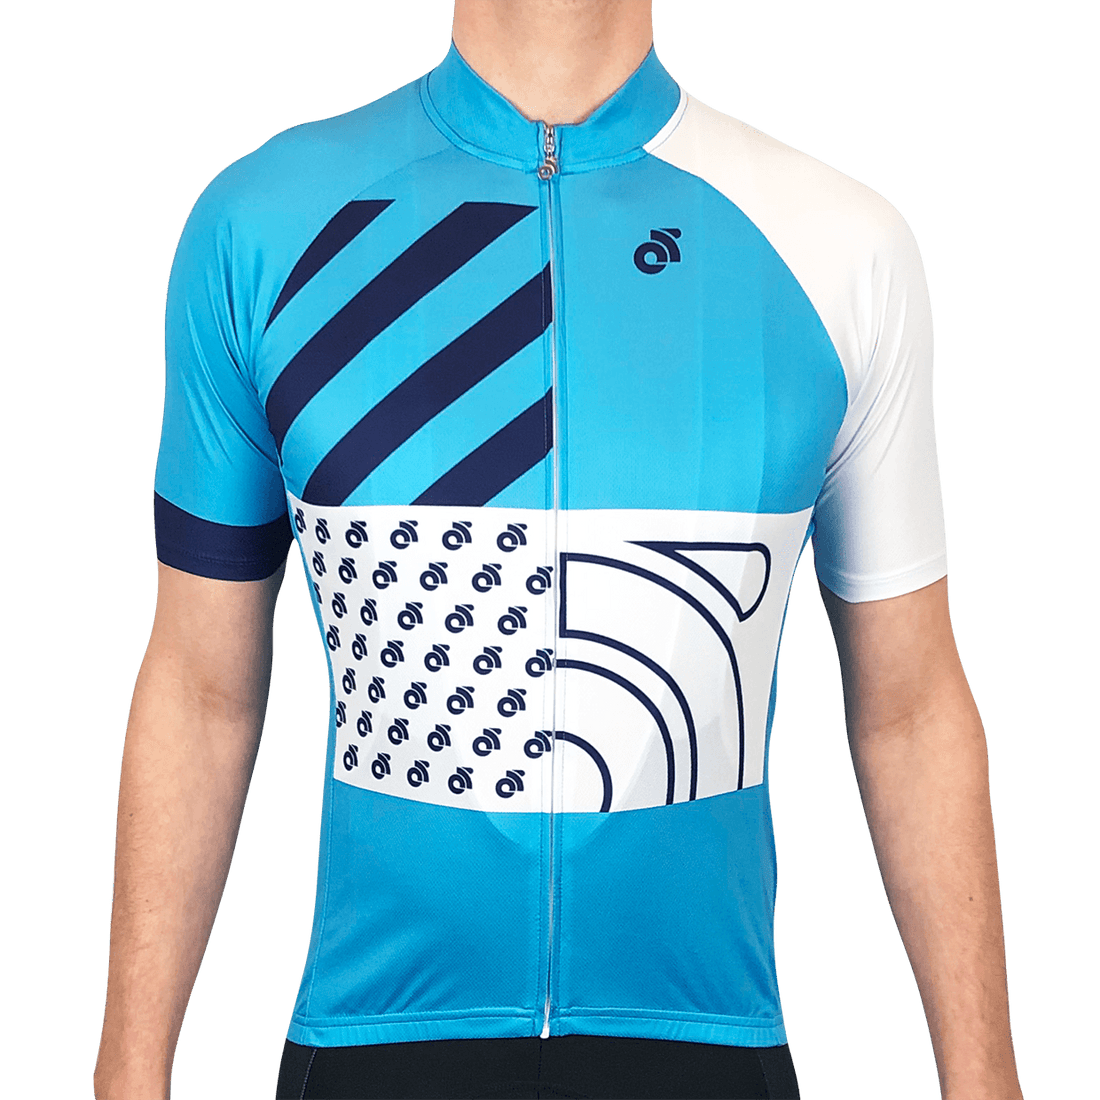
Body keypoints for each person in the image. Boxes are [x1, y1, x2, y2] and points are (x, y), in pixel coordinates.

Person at [92, 2, 1026, 1098]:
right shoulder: (262, 225)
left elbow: (910, 708)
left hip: (706, 1041)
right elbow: (201, 690)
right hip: (372, 1037)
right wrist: (126, 1072)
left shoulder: (836, 242)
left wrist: (985, 1076)